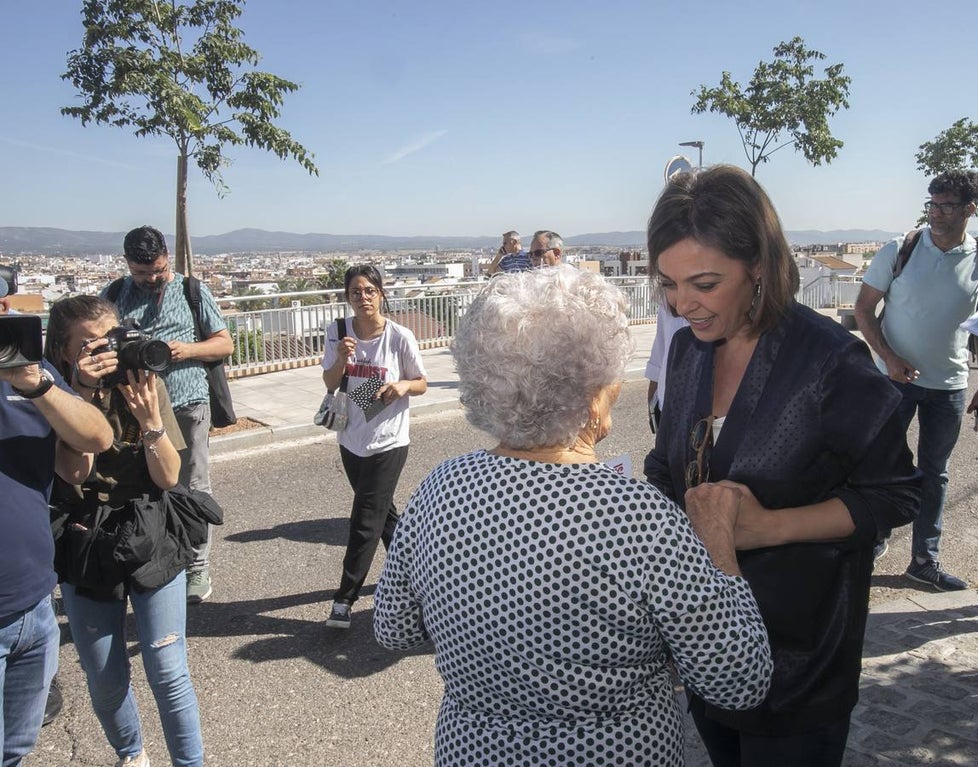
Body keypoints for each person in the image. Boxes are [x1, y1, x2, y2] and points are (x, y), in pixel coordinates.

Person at [374, 266, 771, 766]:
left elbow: (395, 629)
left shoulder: (440, 488)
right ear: (590, 394)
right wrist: (717, 545)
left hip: (472, 751)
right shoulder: (636, 517)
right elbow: (739, 678)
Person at [644, 165, 920, 766]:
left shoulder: (830, 360)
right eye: (667, 283)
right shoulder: (689, 349)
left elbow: (897, 495)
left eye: (704, 283)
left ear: (760, 268)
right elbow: (668, 467)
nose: (680, 303)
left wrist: (770, 526)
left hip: (797, 655)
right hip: (705, 640)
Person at [46, 295, 205, 767]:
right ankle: (131, 755)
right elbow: (75, 474)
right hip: (86, 541)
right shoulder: (54, 399)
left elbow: (169, 477)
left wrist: (151, 423)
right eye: (91, 346)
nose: (107, 354)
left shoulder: (143, 385)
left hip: (150, 533)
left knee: (168, 671)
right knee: (106, 676)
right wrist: (83, 395)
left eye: (112, 340)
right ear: (63, 354)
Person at [855, 169, 978, 591]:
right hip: (893, 382)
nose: (936, 213)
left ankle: (924, 561)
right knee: (881, 465)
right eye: (932, 204)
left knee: (935, 473)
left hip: (950, 386)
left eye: (947, 206)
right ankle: (875, 537)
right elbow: (864, 309)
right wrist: (889, 357)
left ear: (970, 210)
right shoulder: (900, 249)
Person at [1, 281, 112, 766]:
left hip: (34, 605)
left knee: (16, 748)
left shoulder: (27, 369)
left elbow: (92, 442)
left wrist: (40, 384)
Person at [102, 226, 234, 604]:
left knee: (193, 486)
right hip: (134, 410)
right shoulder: (113, 294)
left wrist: (186, 350)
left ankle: (197, 567)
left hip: (187, 403)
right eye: (142, 273)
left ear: (167, 259)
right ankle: (147, 559)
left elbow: (224, 342)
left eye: (158, 270)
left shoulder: (191, 291)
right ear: (127, 265)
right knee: (140, 488)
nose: (152, 278)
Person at [322, 265, 427, 629]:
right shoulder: (337, 332)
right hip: (351, 438)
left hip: (389, 440)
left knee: (365, 519)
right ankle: (422, 579)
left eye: (369, 290)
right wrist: (341, 360)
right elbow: (330, 382)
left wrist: (401, 387)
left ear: (381, 293)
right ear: (347, 297)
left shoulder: (399, 336)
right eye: (355, 292)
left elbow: (421, 382)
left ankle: (344, 598)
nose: (363, 297)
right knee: (384, 516)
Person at [645, 297, 689, 432]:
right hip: (666, 401)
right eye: (668, 284)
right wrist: (653, 396)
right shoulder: (666, 299)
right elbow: (661, 346)